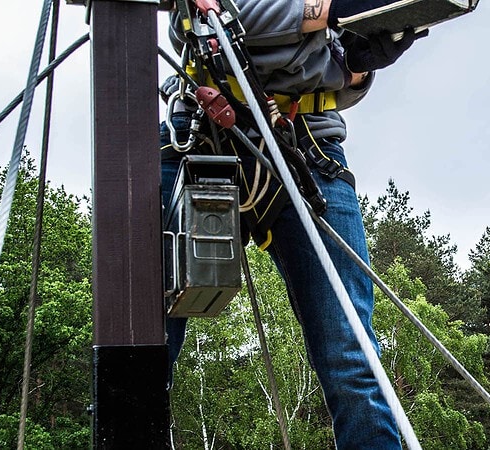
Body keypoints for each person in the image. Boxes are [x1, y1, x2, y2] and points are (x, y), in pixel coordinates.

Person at [160, 0, 424, 448]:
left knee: (351, 355)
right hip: (202, 131)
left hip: (307, 142)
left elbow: (335, 76)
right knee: (144, 340)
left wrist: (356, 60)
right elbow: (225, 18)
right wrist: (331, 15)